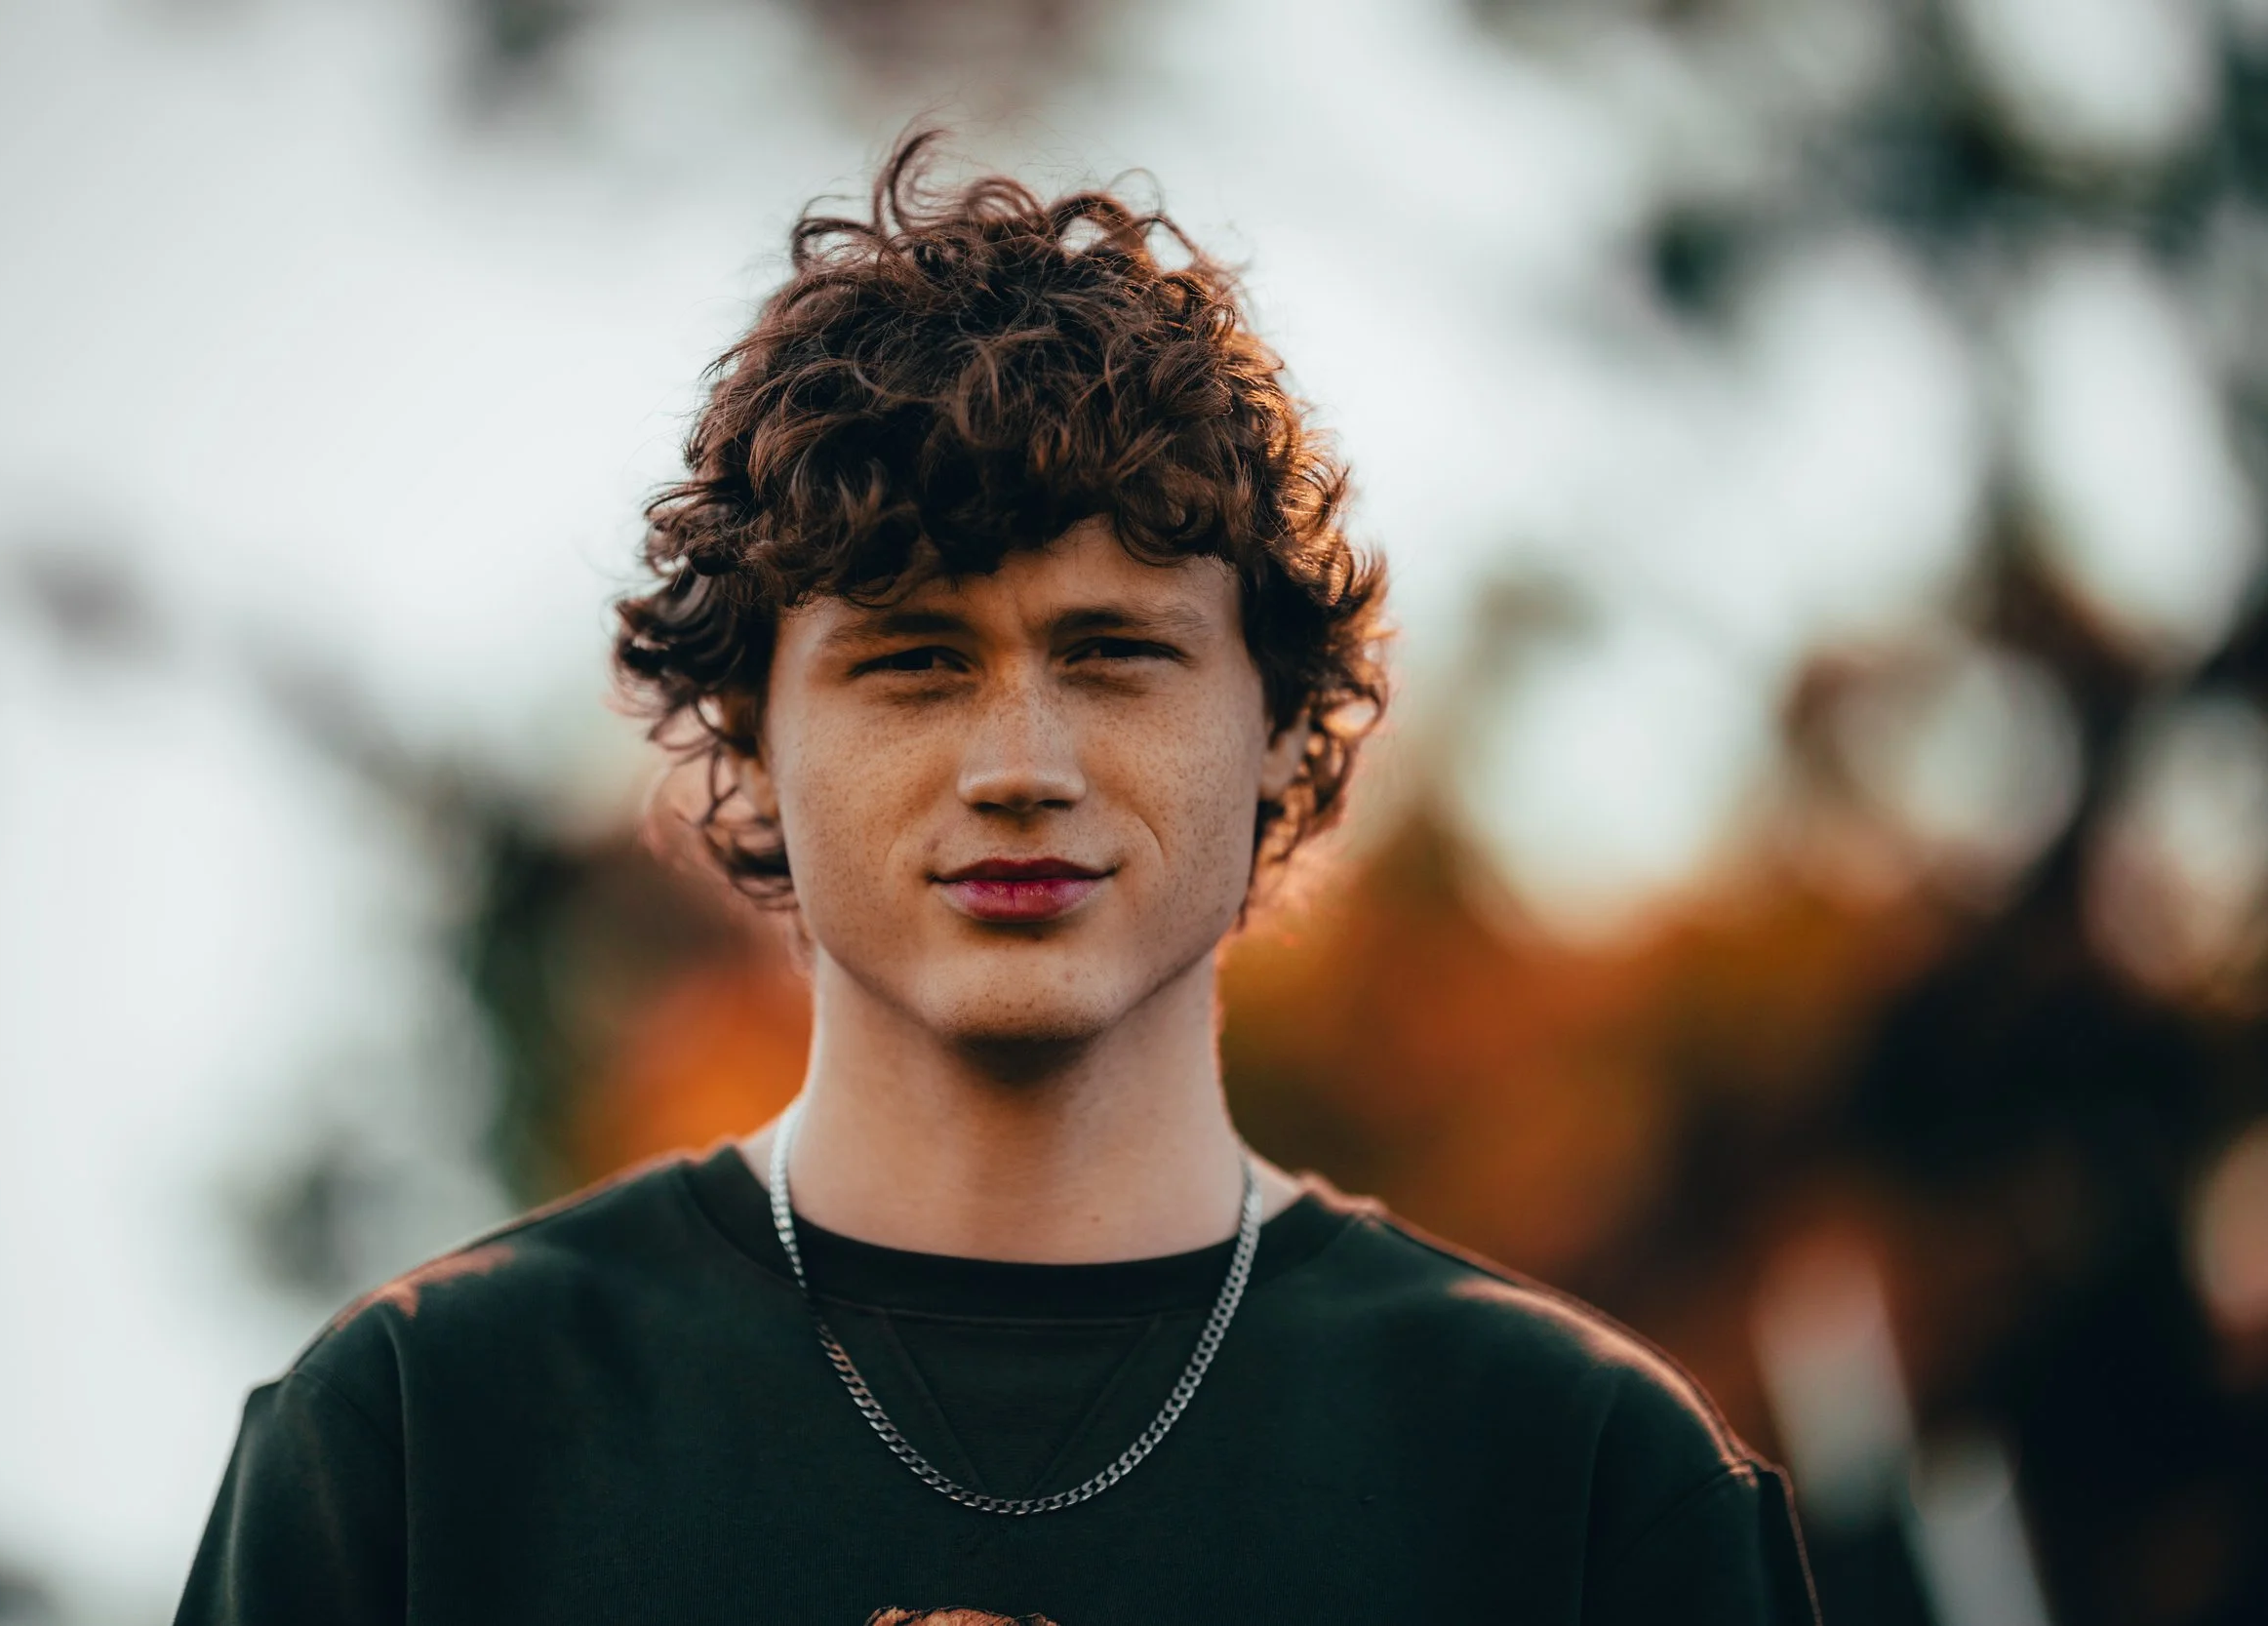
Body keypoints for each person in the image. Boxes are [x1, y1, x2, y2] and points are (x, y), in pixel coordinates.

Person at [176, 134, 1820, 1625]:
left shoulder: (1581, 1480)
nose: (1019, 762)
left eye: (1113, 654)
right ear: (751, 736)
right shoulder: (422, 1441)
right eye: (913, 661)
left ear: (1277, 722)